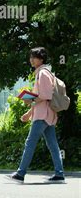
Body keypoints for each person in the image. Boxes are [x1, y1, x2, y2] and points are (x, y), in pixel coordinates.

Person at [6, 47, 65, 184]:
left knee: (30, 143)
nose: (31, 60)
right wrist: (28, 113)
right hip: (47, 114)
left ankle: (20, 173)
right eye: (31, 57)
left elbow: (45, 95)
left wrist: (30, 99)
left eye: (34, 57)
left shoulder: (43, 73)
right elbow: (42, 98)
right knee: (53, 144)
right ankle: (59, 174)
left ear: (41, 59)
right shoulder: (44, 72)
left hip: (42, 115)